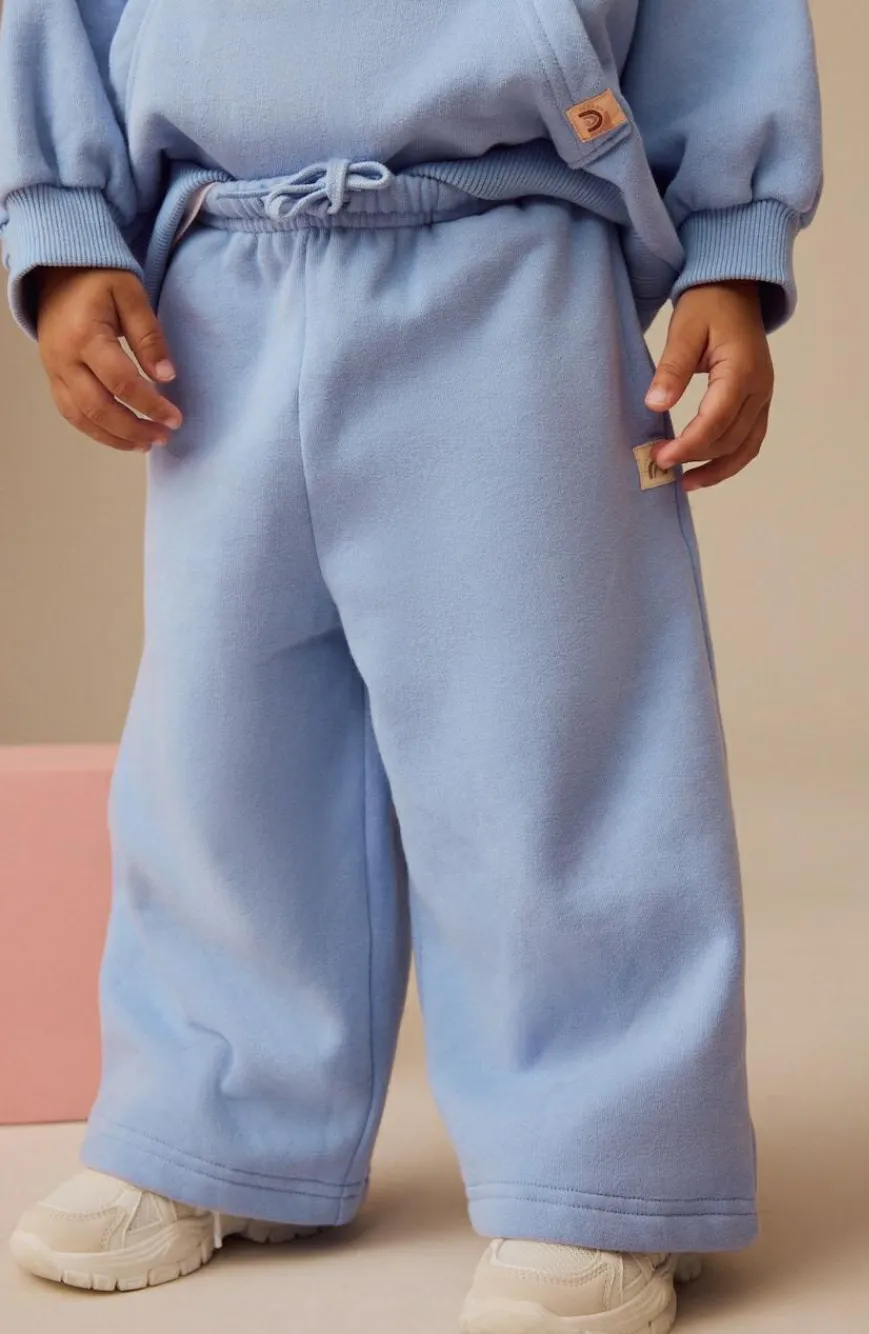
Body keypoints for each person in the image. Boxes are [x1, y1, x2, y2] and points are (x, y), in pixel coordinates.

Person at [0, 1, 822, 1329]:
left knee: (551, 737)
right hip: (222, 267)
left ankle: (600, 1160)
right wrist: (62, 220)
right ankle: (221, 1118)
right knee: (224, 742)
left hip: (514, 254)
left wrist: (730, 239)